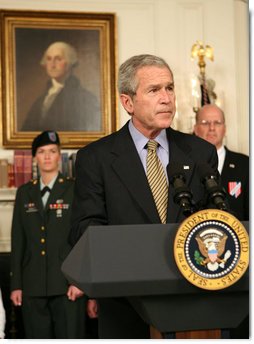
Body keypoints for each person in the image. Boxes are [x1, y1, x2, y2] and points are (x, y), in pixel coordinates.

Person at [69, 54, 219, 339]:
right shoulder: (95, 159)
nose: (166, 98)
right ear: (128, 102)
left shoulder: (200, 153)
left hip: (194, 304)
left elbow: (216, 222)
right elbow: (83, 230)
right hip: (127, 307)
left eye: (170, 88)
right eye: (154, 90)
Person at [10, 130, 87, 339]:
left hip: (66, 285)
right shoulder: (25, 192)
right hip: (32, 286)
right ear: (35, 157)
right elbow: (18, 241)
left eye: (52, 151)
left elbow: (82, 239)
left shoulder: (74, 189)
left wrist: (78, 280)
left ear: (59, 155)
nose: (46, 156)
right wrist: (16, 285)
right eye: (42, 152)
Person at [22, 41, 101, 132]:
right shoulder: (41, 99)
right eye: (48, 59)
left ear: (70, 63)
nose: (52, 64)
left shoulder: (85, 98)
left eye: (58, 59)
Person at [193, 104, 249, 221]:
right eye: (205, 123)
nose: (212, 128)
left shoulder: (245, 164)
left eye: (217, 123)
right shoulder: (186, 164)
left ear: (225, 129)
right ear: (196, 129)